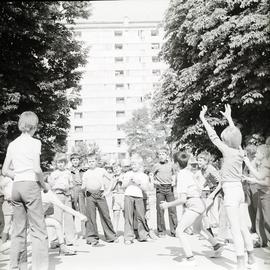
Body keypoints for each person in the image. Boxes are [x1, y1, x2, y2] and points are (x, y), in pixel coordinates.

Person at [199, 104, 255, 270]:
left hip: (230, 191)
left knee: (235, 228)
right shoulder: (239, 151)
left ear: (226, 141)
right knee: (242, 224)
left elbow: (213, 136)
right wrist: (229, 118)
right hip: (239, 190)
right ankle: (251, 254)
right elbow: (235, 135)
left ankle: (240, 260)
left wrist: (203, 118)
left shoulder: (228, 151)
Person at [2, 111, 49, 270]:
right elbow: (37, 168)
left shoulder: (13, 144)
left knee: (18, 229)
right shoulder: (35, 143)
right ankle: (40, 267)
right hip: (30, 185)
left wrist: (18, 175)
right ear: (34, 126)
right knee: (38, 229)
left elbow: (5, 170)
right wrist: (44, 185)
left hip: (17, 187)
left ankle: (17, 265)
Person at [160, 151, 224, 266]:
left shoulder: (182, 174)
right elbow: (201, 186)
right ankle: (217, 246)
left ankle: (190, 259)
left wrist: (167, 205)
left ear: (176, 163)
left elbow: (182, 199)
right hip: (200, 202)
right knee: (198, 230)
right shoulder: (190, 173)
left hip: (194, 204)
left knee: (179, 231)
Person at [82, 153, 117, 245]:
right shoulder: (86, 173)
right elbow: (83, 186)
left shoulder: (101, 170)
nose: (91, 163)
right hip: (89, 195)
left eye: (93, 161)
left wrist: (107, 191)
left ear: (96, 162)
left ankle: (111, 236)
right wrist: (84, 187)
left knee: (105, 215)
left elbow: (112, 179)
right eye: (89, 162)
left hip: (100, 194)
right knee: (91, 217)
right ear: (87, 163)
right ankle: (92, 238)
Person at [243, 144, 270, 250]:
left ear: (263, 154)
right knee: (259, 219)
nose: (256, 154)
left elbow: (265, 181)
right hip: (261, 193)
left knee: (267, 220)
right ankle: (263, 241)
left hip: (266, 195)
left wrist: (253, 179)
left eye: (257, 153)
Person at [48, 153, 76, 246]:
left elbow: (71, 184)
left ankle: (70, 239)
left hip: (67, 196)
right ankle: (54, 240)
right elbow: (50, 186)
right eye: (58, 162)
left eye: (62, 162)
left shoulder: (68, 173)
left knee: (68, 218)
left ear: (65, 163)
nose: (60, 164)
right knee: (57, 218)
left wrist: (68, 187)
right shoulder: (53, 174)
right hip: (57, 195)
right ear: (56, 163)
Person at [122, 156, 151, 244]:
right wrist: (129, 182)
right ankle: (128, 237)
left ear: (140, 165)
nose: (133, 165)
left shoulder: (144, 175)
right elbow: (123, 186)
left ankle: (143, 236)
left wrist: (138, 182)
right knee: (128, 217)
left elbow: (145, 188)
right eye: (132, 164)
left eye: (135, 164)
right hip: (128, 196)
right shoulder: (127, 173)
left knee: (141, 216)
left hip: (139, 196)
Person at [152, 147, 177, 237]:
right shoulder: (156, 166)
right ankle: (161, 231)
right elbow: (151, 176)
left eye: (163, 154)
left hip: (169, 188)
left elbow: (174, 174)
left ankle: (174, 230)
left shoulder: (171, 165)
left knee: (172, 210)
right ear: (158, 156)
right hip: (160, 189)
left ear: (167, 156)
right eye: (160, 154)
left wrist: (174, 181)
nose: (161, 156)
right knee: (160, 210)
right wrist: (154, 181)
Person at [70, 153, 86, 237]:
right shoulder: (68, 170)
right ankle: (72, 231)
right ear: (71, 161)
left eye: (77, 160)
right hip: (73, 190)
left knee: (82, 211)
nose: (75, 162)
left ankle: (84, 232)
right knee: (72, 211)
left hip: (81, 189)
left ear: (79, 161)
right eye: (73, 160)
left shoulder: (83, 170)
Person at [111, 163, 125, 235]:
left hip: (123, 195)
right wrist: (115, 181)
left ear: (121, 168)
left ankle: (128, 232)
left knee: (126, 214)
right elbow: (110, 188)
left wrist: (122, 181)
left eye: (117, 168)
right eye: (114, 169)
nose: (116, 170)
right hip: (115, 196)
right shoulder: (112, 177)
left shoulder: (125, 175)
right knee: (115, 214)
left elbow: (126, 186)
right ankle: (114, 232)